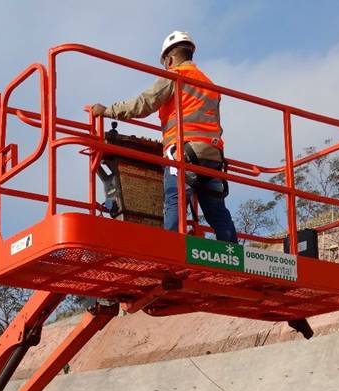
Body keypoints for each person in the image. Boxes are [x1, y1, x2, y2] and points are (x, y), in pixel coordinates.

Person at [91, 30, 237, 243]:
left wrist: (107, 111)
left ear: (170, 59)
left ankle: (171, 246)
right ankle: (232, 251)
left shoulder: (175, 76)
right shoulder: (210, 85)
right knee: (216, 210)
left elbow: (142, 104)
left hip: (184, 152)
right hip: (213, 155)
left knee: (174, 201)